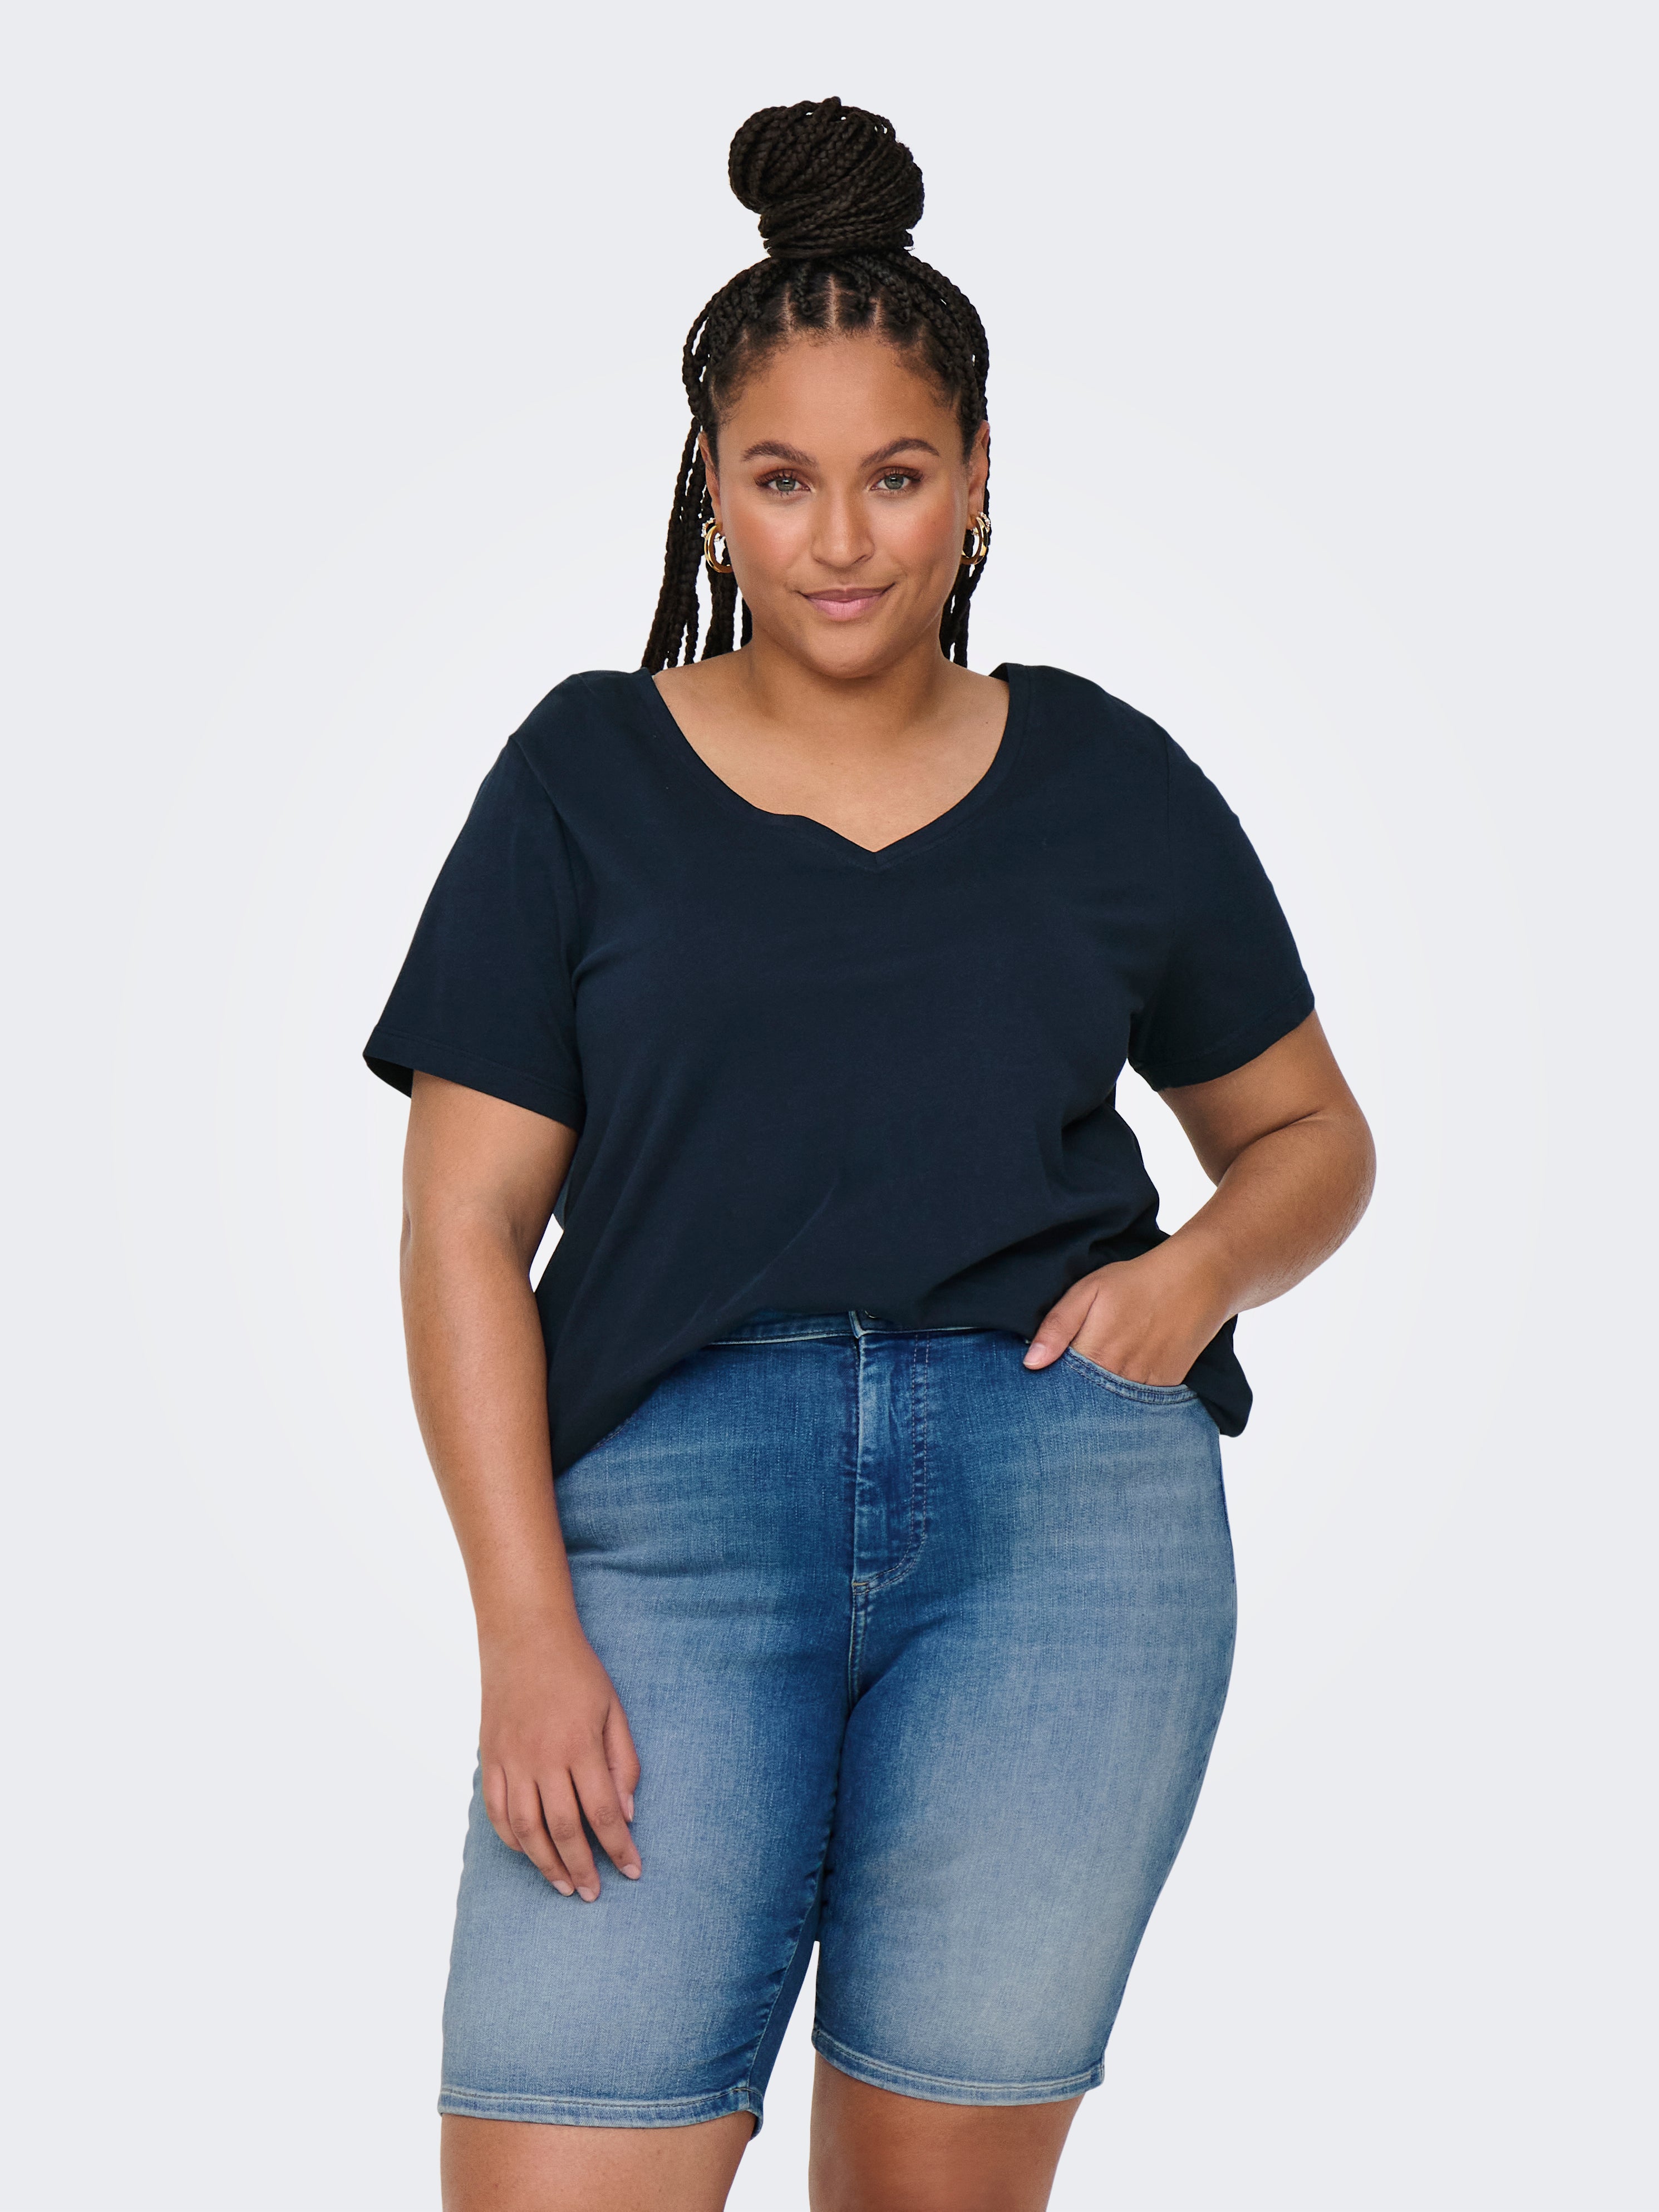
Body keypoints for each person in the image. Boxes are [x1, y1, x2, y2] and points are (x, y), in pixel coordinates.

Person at [365, 95, 1375, 2212]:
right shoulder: (581, 775)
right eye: (784, 478)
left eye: (897, 476)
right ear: (711, 486)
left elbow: (1311, 1136)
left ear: (978, 477)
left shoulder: (1109, 780)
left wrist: (1196, 1276)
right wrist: (525, 1632)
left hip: (1064, 1524)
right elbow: (465, 1224)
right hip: (664, 1515)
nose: (842, 539)